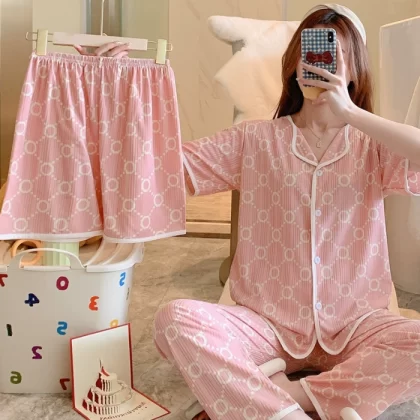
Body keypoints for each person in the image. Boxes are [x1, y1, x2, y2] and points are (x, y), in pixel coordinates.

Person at [78, 4, 420, 420]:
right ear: (294, 65)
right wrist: (115, 88)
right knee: (174, 320)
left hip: (356, 325)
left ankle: (292, 395)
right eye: (312, 53)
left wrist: (350, 113)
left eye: (338, 56)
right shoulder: (254, 140)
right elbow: (160, 169)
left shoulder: (374, 146)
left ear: (355, 71)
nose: (322, 65)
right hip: (264, 325)